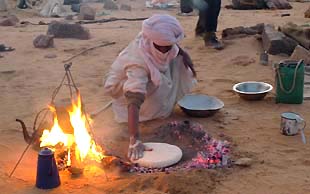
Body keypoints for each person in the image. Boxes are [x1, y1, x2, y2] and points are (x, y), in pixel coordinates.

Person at [103, 14, 196, 161]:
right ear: (153, 42)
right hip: (124, 92)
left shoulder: (156, 39)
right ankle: (147, 114)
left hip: (146, 78)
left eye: (168, 47)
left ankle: (159, 106)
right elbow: (134, 97)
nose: (165, 51)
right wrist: (134, 139)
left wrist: (184, 56)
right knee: (153, 86)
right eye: (162, 48)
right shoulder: (138, 62)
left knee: (177, 62)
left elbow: (173, 48)